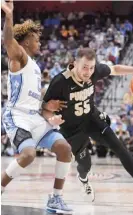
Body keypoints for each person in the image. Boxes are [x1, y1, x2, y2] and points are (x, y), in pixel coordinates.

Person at [42, 48, 133, 204]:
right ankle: (84, 179)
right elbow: (44, 107)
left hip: (92, 119)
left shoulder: (94, 71)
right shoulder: (60, 82)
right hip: (72, 129)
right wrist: (51, 118)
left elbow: (115, 69)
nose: (88, 72)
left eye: (91, 67)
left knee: (119, 147)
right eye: (84, 67)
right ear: (75, 64)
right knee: (85, 164)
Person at [1, 1, 73, 214]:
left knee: (65, 149)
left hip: (34, 117)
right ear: (25, 42)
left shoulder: (35, 66)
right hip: (17, 116)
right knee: (29, 154)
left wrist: (46, 105)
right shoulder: (19, 57)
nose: (40, 43)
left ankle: (56, 199)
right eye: (36, 39)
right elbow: (7, 41)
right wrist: (8, 16)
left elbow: (31, 99)